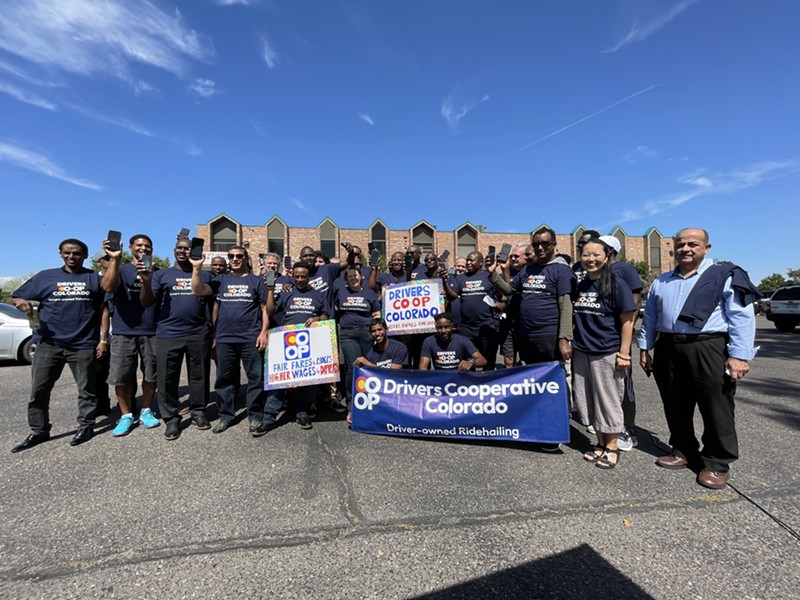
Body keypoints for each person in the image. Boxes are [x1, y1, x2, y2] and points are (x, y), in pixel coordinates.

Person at [639, 228, 758, 489]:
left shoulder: (723, 277)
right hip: (668, 347)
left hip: (708, 346)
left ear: (707, 247)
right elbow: (650, 318)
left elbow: (741, 318)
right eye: (680, 244)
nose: (686, 249)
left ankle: (716, 462)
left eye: (693, 244)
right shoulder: (662, 281)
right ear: (673, 248)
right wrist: (645, 347)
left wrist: (739, 356)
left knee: (716, 407)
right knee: (675, 403)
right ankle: (683, 450)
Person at [11, 239, 106, 452]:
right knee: (39, 390)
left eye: (77, 253)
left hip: (82, 343)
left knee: (86, 390)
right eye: (68, 253)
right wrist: (20, 303)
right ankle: (39, 430)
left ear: (85, 255)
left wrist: (102, 339)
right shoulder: (46, 276)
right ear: (61, 254)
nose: (72, 257)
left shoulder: (92, 278)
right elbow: (17, 296)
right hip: (48, 343)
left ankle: (86, 426)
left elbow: (103, 308)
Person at [572, 239, 637, 469]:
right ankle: (599, 444)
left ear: (607, 255)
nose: (591, 259)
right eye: (586, 255)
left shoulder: (617, 284)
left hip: (606, 352)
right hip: (582, 351)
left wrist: (624, 353)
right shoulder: (580, 285)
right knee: (587, 399)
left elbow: (628, 322)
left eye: (596, 254)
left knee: (608, 401)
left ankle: (612, 446)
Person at [191, 246, 270, 436]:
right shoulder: (221, 280)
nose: (235, 259)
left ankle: (255, 415)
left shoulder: (256, 281)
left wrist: (264, 331)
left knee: (255, 379)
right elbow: (198, 290)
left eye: (239, 256)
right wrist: (196, 268)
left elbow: (264, 308)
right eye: (231, 256)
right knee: (224, 380)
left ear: (245, 258)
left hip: (251, 337)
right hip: (226, 338)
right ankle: (227, 416)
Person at [140, 238, 213, 440]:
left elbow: (211, 302)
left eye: (187, 249)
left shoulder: (204, 274)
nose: (183, 251)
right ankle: (171, 419)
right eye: (180, 248)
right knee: (167, 378)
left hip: (198, 332)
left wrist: (209, 328)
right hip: (168, 333)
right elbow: (146, 301)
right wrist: (146, 280)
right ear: (174, 250)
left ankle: (198, 412)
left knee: (199, 375)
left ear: (194, 252)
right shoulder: (161, 275)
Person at [101, 234, 161, 436]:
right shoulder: (120, 268)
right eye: (139, 245)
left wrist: (146, 281)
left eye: (147, 245)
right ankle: (126, 415)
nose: (143, 248)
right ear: (130, 248)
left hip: (151, 330)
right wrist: (114, 259)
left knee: (151, 374)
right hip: (123, 331)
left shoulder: (157, 272)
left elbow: (148, 301)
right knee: (121, 376)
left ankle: (146, 410)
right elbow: (108, 288)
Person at [266, 262, 330, 430]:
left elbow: (326, 315)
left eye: (303, 276)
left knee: (306, 381)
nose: (300, 279)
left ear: (309, 277)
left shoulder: (318, 294)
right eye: (297, 276)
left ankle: (302, 413)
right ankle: (269, 416)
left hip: (310, 342)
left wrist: (317, 319)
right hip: (286, 340)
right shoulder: (286, 292)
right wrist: (271, 290)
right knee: (279, 380)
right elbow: (271, 311)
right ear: (292, 276)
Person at [597, 235, 644, 452]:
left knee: (623, 384)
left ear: (610, 250)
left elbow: (634, 302)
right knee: (605, 386)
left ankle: (629, 429)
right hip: (599, 338)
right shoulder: (597, 272)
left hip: (618, 336)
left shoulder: (624, 269)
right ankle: (608, 425)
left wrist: (628, 329)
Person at [441, 251, 503, 369]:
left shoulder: (488, 276)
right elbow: (452, 297)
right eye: (467, 260)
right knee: (467, 361)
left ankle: (488, 385)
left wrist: (499, 304)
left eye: (471, 260)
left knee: (488, 360)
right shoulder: (461, 278)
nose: (468, 263)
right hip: (466, 328)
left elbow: (502, 296)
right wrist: (444, 281)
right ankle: (470, 385)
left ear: (480, 263)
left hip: (486, 326)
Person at [335, 267, 381, 412]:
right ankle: (351, 399)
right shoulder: (341, 292)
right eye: (350, 276)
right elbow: (336, 309)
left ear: (361, 277)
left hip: (366, 332)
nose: (353, 278)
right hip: (348, 334)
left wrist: (377, 333)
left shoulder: (369, 293)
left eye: (355, 275)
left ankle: (368, 396)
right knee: (353, 366)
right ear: (346, 279)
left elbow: (377, 314)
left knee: (367, 364)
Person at [419, 313, 487, 372]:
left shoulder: (462, 340)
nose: (443, 331)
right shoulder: (429, 341)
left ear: (452, 326)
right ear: (436, 328)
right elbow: (423, 367)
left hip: (460, 378)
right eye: (440, 328)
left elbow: (482, 360)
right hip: (440, 380)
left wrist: (471, 363)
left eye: (446, 327)